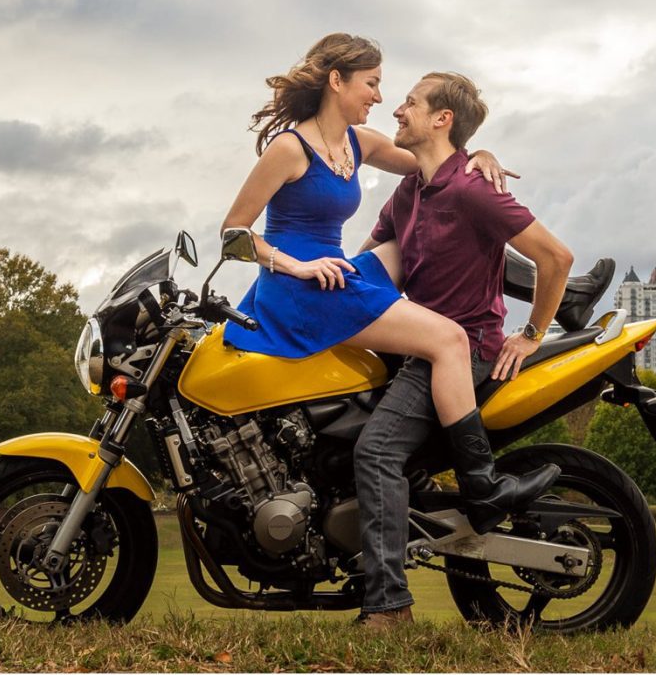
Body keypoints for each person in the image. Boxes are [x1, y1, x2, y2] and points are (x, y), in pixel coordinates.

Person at [217, 34, 561, 532]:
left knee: (439, 224)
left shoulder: (359, 143)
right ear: (337, 82)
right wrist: (294, 265)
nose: (380, 97)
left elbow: (439, 164)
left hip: (336, 274)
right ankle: (482, 485)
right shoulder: (290, 149)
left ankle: (557, 292)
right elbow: (232, 234)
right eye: (372, 84)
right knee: (447, 338)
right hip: (301, 287)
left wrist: (481, 152)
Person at [352, 70, 576, 627]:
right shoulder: (410, 191)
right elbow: (365, 266)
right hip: (415, 345)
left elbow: (556, 258)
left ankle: (388, 609)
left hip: (462, 349)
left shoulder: (475, 189)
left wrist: (532, 333)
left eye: (408, 103)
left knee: (377, 453)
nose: (396, 111)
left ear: (441, 119)